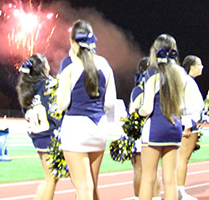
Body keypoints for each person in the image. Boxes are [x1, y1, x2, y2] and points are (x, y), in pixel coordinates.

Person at [57, 20, 116, 200]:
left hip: (76, 127)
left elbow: (62, 104)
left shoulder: (69, 66)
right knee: (92, 186)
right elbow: (110, 102)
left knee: (83, 189)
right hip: (99, 129)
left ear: (72, 41)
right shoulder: (104, 64)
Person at [137, 35, 198, 200]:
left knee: (148, 178)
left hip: (155, 128)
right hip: (174, 128)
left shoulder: (151, 74)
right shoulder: (180, 74)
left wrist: (138, 111)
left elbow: (147, 108)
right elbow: (192, 106)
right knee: (170, 180)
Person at [16, 54, 61, 200]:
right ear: (42, 68)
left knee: (50, 178)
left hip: (38, 137)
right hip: (49, 136)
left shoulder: (27, 88)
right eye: (46, 63)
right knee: (51, 179)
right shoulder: (47, 84)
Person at [129, 57, 160, 200]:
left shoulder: (139, 89)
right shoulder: (150, 87)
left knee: (140, 169)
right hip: (152, 129)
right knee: (153, 170)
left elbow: (133, 111)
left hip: (142, 131)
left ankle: (139, 197)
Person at [177, 55, 204, 200]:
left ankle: (176, 190)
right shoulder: (188, 82)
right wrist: (187, 125)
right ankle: (180, 192)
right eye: (199, 65)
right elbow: (192, 106)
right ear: (191, 67)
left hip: (180, 122)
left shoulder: (182, 81)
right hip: (186, 123)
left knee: (178, 159)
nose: (202, 67)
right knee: (182, 159)